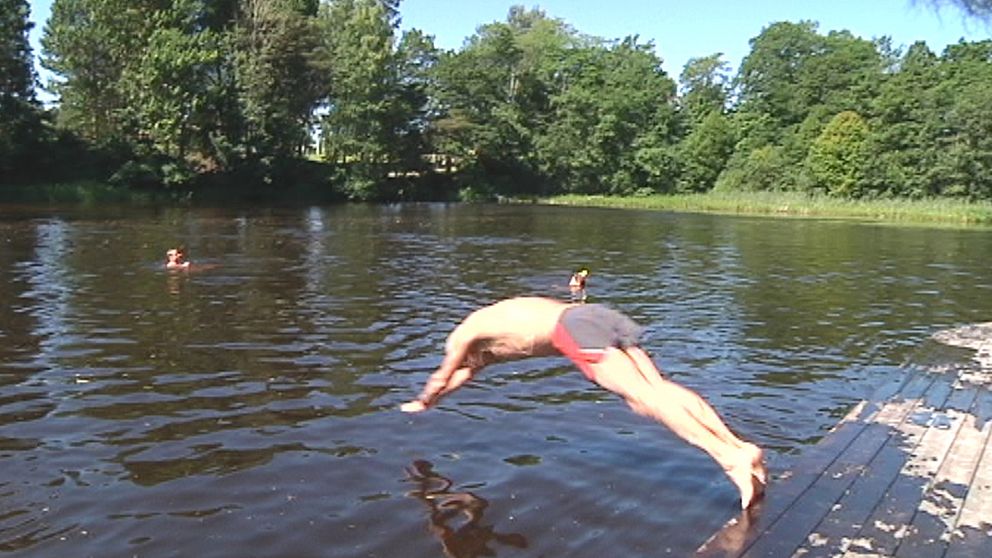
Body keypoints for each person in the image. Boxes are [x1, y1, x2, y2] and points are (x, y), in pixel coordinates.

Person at [400, 297, 767, 510]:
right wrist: (442, 395)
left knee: (644, 399)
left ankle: (729, 458)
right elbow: (464, 375)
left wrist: (424, 401)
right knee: (657, 389)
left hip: (572, 329)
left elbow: (445, 375)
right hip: (595, 314)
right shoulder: (489, 327)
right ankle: (739, 445)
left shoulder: (462, 337)